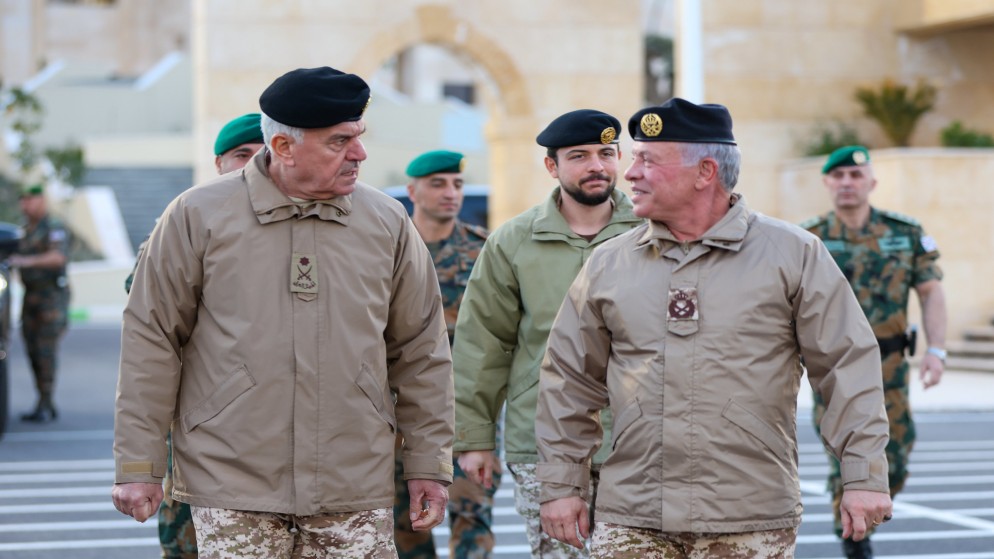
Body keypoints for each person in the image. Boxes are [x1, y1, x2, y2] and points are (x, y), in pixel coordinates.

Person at [111, 66, 454, 559]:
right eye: (339, 141)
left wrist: (428, 465)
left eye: (358, 137)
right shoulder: (197, 215)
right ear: (283, 146)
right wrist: (139, 466)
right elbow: (152, 340)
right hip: (232, 484)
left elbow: (422, 351)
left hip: (353, 482)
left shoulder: (387, 221)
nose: (359, 153)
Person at [534, 98, 894, 558]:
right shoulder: (609, 262)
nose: (630, 173)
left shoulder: (793, 254)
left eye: (648, 160)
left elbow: (847, 366)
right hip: (631, 514)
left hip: (749, 515)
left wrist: (863, 475)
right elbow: (569, 380)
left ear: (705, 172)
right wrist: (562, 485)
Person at [453, 109, 642, 558]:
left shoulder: (650, 233)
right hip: (541, 441)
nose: (596, 166)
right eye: (579, 156)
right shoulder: (514, 241)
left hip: (638, 440)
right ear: (551, 166)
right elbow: (483, 343)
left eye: (606, 154)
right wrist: (475, 438)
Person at [122, 112, 265, 559]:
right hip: (201, 427)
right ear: (219, 164)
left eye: (263, 154)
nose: (253, 164)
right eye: (241, 155)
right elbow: (151, 321)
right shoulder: (186, 224)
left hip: (272, 433)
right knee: (187, 540)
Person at [802, 145, 947, 559]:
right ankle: (853, 538)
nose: (847, 182)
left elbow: (931, 291)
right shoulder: (809, 238)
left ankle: (860, 519)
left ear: (872, 182)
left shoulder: (905, 233)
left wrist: (937, 351)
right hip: (836, 369)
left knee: (896, 457)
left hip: (890, 366)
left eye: (855, 175)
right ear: (827, 183)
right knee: (846, 456)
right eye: (838, 176)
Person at [393, 150, 498, 559]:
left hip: (466, 405)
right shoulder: (390, 246)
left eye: (457, 184)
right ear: (412, 191)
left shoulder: (484, 250)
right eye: (437, 184)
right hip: (403, 409)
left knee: (473, 513)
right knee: (406, 523)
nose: (450, 192)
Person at [8, 183, 71, 423]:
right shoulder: (23, 230)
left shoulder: (53, 227)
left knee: (46, 351)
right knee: (33, 350)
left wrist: (26, 261)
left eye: (30, 200)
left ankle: (46, 402)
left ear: (41, 201)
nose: (26, 205)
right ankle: (43, 401)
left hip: (50, 297)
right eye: (23, 200)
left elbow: (58, 257)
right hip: (30, 297)